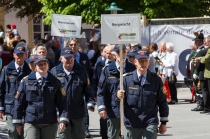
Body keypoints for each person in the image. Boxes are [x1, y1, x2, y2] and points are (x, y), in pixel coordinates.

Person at [12, 56, 68, 139]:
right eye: (40, 64)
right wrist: (18, 122)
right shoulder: (26, 81)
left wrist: (63, 120)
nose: (43, 66)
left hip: (49, 122)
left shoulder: (55, 82)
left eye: (45, 64)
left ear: (48, 66)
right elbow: (18, 102)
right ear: (35, 67)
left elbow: (62, 102)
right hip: (31, 121)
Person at [117, 50, 169, 139]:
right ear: (135, 62)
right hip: (132, 122)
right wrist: (118, 96)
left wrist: (163, 122)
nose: (143, 63)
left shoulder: (156, 80)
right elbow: (117, 102)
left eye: (145, 61)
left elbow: (162, 102)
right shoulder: (126, 80)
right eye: (141, 61)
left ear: (149, 62)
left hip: (150, 121)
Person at [51, 47, 95, 139]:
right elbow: (51, 94)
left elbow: (88, 89)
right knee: (63, 137)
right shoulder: (54, 72)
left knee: (79, 136)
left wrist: (90, 102)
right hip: (62, 113)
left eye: (71, 57)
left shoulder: (81, 70)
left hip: (78, 112)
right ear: (61, 58)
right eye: (66, 58)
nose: (69, 60)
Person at [97, 44, 136, 139]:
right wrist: (101, 107)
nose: (121, 55)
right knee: (113, 136)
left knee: (129, 135)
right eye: (119, 52)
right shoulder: (107, 70)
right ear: (115, 54)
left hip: (129, 110)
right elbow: (101, 91)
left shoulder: (133, 69)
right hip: (113, 110)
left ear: (126, 53)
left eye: (123, 52)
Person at [0, 44, 31, 139]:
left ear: (26, 55)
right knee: (12, 132)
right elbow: (1, 89)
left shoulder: (29, 70)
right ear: (13, 55)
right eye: (18, 55)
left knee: (23, 133)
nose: (19, 57)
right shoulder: (7, 69)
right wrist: (1, 107)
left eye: (22, 55)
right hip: (10, 105)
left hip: (25, 106)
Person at [67, 38, 92, 137]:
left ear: (78, 45)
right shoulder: (65, 57)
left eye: (75, 44)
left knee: (84, 107)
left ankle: (85, 128)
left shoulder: (84, 56)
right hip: (71, 85)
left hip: (82, 84)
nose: (73, 46)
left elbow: (89, 71)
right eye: (71, 45)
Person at [193, 36, 210, 114]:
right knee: (204, 91)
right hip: (205, 72)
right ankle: (205, 107)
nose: (205, 43)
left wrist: (199, 59)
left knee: (205, 90)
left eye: (206, 42)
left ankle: (205, 107)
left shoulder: (205, 50)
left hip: (205, 72)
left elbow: (205, 59)